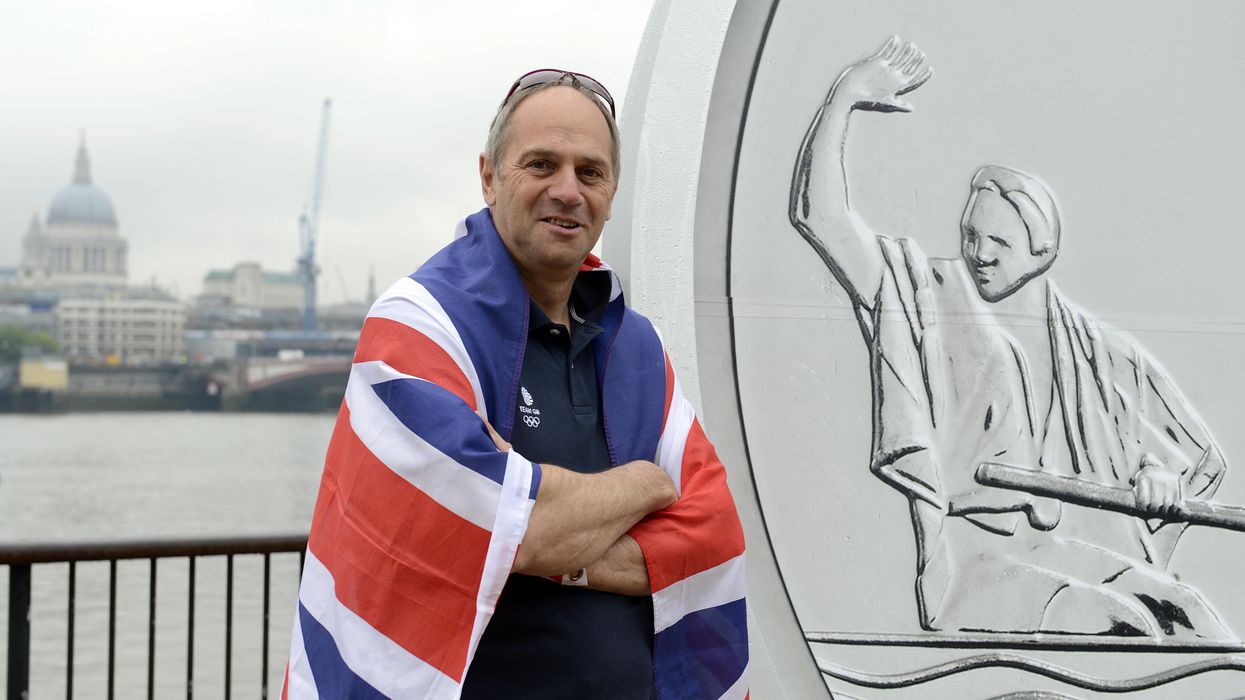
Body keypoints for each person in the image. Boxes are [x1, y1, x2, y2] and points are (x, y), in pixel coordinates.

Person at [284, 70, 749, 698]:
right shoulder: (418, 325)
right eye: (541, 164)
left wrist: (531, 527)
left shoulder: (638, 347)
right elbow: (520, 528)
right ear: (489, 177)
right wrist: (643, 488)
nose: (568, 191)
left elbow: (712, 533)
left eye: (591, 172)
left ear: (612, 190)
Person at [790, 37, 1231, 640]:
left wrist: (1160, 477)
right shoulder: (927, 293)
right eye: (972, 236)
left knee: (1193, 618)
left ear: (1042, 248)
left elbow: (1187, 459)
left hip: (1064, 551)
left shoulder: (1096, 351)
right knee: (1122, 623)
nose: (978, 254)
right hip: (978, 564)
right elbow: (822, 219)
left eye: (997, 244)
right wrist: (843, 99)